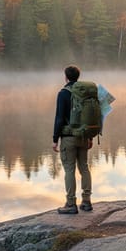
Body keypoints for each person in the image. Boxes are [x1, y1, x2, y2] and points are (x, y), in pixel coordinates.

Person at [52, 65, 93, 214]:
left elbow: (59, 118)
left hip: (68, 138)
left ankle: (70, 204)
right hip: (83, 136)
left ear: (66, 77)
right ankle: (87, 201)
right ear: (78, 77)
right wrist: (89, 136)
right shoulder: (86, 93)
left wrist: (55, 139)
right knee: (84, 167)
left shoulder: (63, 93)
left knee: (69, 169)